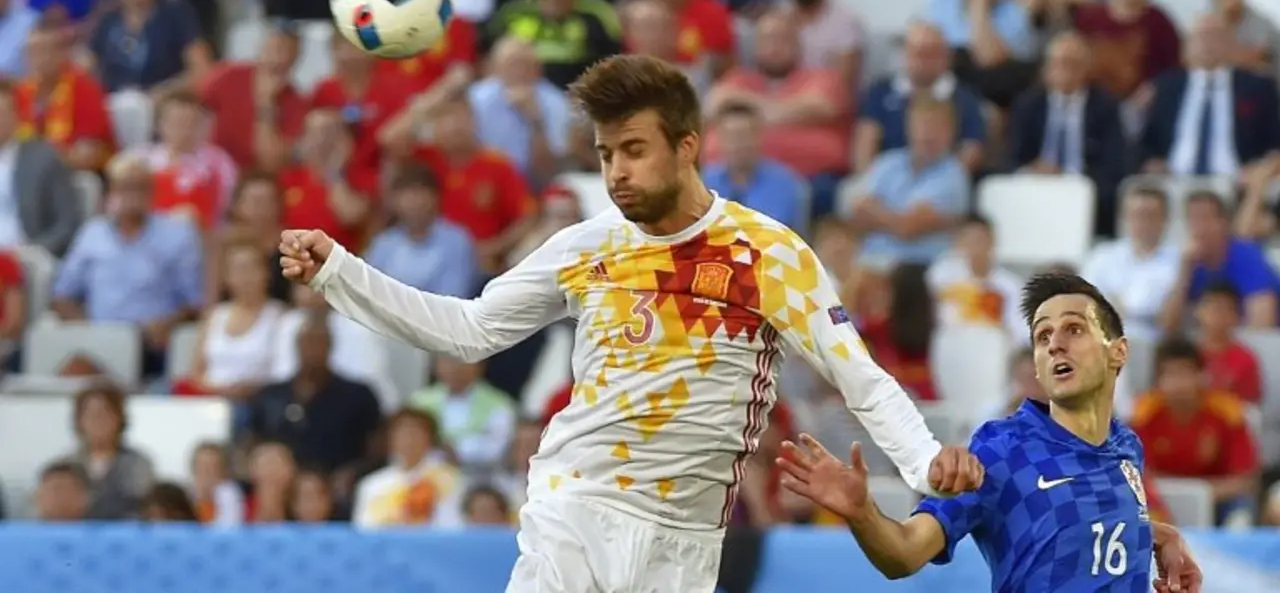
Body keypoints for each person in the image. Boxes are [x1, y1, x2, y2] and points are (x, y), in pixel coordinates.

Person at [278, 54, 982, 592]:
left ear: (688, 146)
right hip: (575, 506)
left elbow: (861, 379)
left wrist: (924, 463)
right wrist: (340, 271)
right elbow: (470, 330)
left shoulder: (766, 254)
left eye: (634, 150)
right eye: (605, 153)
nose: (616, 172)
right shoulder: (588, 246)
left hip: (685, 539)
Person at [776, 273, 1203, 593]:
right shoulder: (1002, 450)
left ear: (1119, 351)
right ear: (1038, 367)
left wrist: (1159, 535)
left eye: (1074, 329)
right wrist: (862, 512)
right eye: (1042, 336)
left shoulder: (1126, 446)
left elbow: (1083, 519)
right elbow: (904, 553)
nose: (1055, 344)